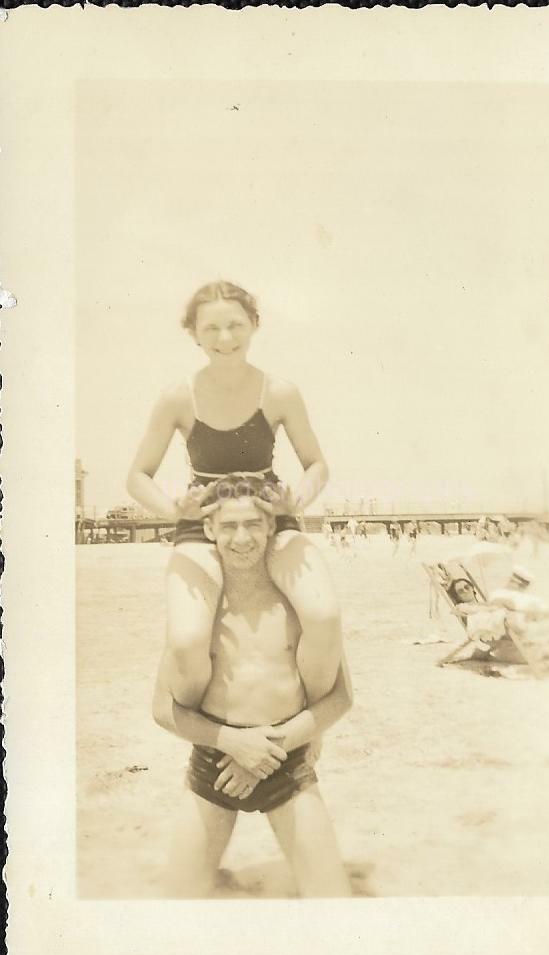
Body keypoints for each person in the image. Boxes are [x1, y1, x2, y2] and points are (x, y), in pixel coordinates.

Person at [127, 280, 343, 713]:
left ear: (254, 325)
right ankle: (206, 736)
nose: (224, 338)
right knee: (187, 642)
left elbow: (316, 464)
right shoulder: (177, 397)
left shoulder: (280, 392)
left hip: (269, 517)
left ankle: (308, 727)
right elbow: (136, 476)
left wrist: (294, 503)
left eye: (235, 325)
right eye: (211, 329)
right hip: (201, 524)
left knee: (323, 618)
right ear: (193, 334)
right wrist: (174, 510)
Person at [152, 486, 353, 897]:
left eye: (252, 525)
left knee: (333, 902)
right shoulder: (199, 604)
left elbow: (342, 696)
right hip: (216, 761)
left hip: (286, 760)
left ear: (271, 528)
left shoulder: (299, 599)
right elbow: (161, 707)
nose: (241, 538)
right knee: (176, 904)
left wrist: (266, 750)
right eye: (229, 526)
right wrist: (232, 743)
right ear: (209, 528)